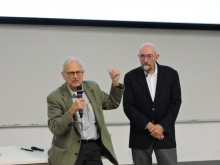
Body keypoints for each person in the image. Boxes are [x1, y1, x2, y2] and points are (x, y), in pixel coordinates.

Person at [47, 56, 124, 165]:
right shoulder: (55, 97)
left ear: (83, 73)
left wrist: (115, 83)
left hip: (93, 148)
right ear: (63, 75)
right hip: (69, 150)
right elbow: (55, 127)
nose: (75, 76)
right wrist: (71, 111)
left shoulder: (92, 87)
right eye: (71, 73)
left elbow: (111, 103)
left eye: (78, 72)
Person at [123, 43, 182, 165]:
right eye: (142, 56)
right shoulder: (130, 77)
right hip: (140, 135)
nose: (145, 60)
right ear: (138, 57)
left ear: (157, 56)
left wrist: (162, 126)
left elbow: (175, 103)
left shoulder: (171, 74)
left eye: (149, 56)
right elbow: (128, 106)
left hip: (165, 135)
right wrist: (148, 125)